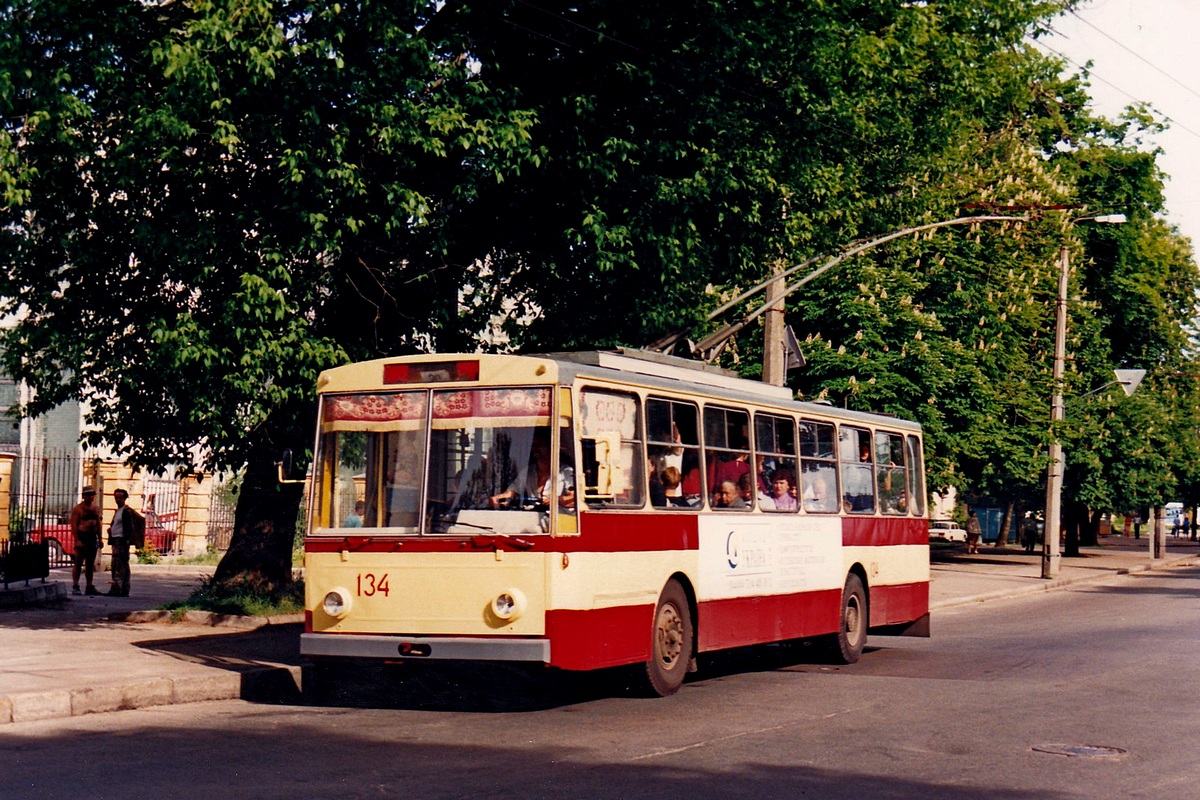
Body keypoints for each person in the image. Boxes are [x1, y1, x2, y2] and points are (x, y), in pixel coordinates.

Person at [490, 433, 575, 510]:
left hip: (561, 520)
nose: (536, 449)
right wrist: (498, 498)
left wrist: (556, 500)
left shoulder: (566, 472)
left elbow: (574, 497)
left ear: (551, 447)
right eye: (534, 445)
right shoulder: (527, 472)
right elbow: (513, 491)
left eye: (540, 445)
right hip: (533, 519)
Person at [107, 487, 145, 597]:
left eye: (120, 498)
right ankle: (123, 588)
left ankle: (117, 588)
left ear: (125, 498)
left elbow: (131, 525)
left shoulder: (126, 511)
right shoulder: (118, 511)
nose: (118, 500)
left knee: (118, 565)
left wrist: (128, 540)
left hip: (121, 541)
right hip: (116, 539)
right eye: (116, 497)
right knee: (120, 564)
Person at [69, 485, 102, 596]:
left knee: (90, 563)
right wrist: (77, 539)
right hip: (82, 536)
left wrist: (100, 538)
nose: (90, 497)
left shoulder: (96, 509)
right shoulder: (78, 509)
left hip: (92, 537)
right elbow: (74, 525)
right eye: (88, 494)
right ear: (84, 496)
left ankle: (89, 585)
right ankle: (75, 585)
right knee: (78, 562)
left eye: (92, 494)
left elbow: (98, 523)